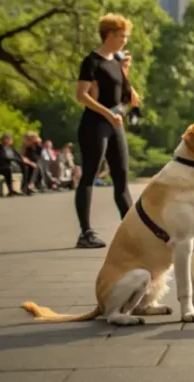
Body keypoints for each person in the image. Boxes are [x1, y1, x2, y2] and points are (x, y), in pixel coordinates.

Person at [73, 13, 140, 249]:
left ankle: (134, 232)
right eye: (122, 36)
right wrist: (108, 114)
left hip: (115, 124)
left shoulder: (116, 61)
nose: (125, 40)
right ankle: (86, 233)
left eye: (126, 36)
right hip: (95, 125)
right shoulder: (91, 61)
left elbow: (127, 97)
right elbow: (81, 96)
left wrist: (125, 72)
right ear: (109, 35)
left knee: (121, 176)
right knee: (90, 175)